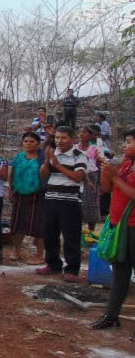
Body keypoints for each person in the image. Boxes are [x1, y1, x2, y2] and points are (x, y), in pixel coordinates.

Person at [91, 129, 135, 337]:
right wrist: (105, 170)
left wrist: (115, 177)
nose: (125, 145)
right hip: (120, 226)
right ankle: (111, 315)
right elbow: (107, 188)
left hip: (133, 226)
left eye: (129, 142)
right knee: (120, 272)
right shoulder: (127, 165)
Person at [36, 126, 87, 283]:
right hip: (51, 198)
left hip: (70, 201)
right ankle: (53, 264)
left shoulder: (79, 155)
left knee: (71, 236)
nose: (59, 141)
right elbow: (43, 175)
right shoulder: (53, 153)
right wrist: (47, 161)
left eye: (63, 137)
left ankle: (72, 269)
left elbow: (78, 177)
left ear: (72, 139)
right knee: (50, 233)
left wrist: (58, 165)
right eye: (57, 137)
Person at [8, 132, 46, 264]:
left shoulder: (43, 158)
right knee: (17, 224)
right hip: (20, 194)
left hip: (37, 195)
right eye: (26, 141)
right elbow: (12, 174)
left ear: (38, 144)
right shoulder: (19, 157)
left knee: (39, 225)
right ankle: (16, 251)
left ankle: (39, 254)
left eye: (32, 141)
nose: (28, 144)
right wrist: (10, 189)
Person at [77, 125, 103, 232]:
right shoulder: (75, 148)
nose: (81, 134)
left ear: (91, 136)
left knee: (91, 204)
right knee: (77, 203)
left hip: (92, 175)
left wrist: (99, 181)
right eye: (80, 132)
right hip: (77, 175)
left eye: (84, 132)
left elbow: (98, 164)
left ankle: (91, 231)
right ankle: (77, 230)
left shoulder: (94, 149)